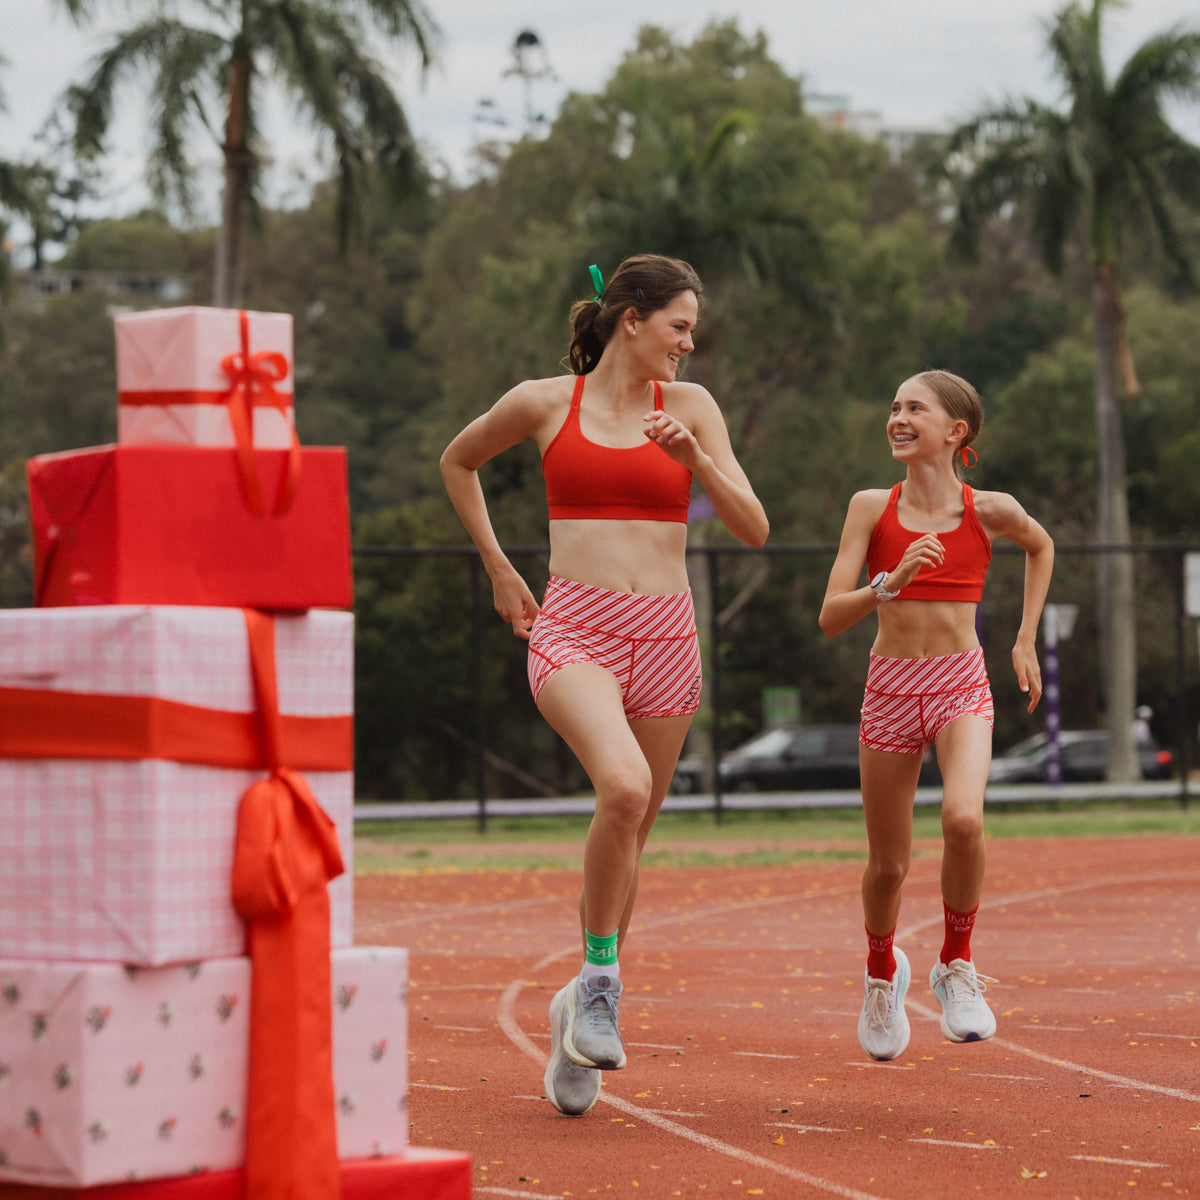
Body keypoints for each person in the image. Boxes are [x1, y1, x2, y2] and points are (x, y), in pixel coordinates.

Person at [440, 254, 769, 1114]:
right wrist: (500, 567)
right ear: (632, 318)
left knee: (633, 837)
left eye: (692, 329)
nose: (689, 344)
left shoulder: (690, 410)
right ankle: (597, 982)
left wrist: (698, 457)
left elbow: (755, 526)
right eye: (679, 326)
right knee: (622, 790)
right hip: (574, 628)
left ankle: (578, 1015)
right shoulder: (546, 402)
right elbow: (457, 461)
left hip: (666, 636)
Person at [818, 369, 1053, 1062]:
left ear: (956, 431)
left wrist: (1023, 639)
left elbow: (1040, 548)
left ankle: (956, 965)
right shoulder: (870, 506)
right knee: (889, 866)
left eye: (914, 408)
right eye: (893, 406)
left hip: (960, 682)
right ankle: (882, 973)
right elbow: (831, 617)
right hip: (890, 687)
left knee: (964, 818)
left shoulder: (990, 510)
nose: (898, 416)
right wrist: (888, 584)